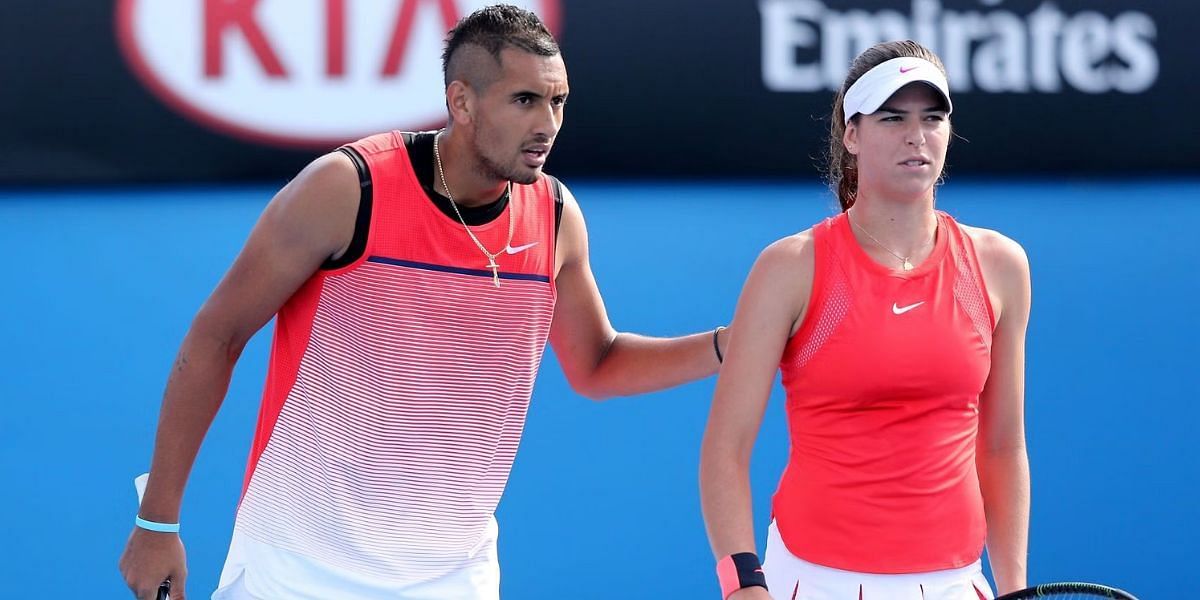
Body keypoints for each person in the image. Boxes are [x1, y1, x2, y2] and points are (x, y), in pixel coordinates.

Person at [118, 5, 728, 599]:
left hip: (453, 574)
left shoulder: (555, 215)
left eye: (558, 100)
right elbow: (216, 338)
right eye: (524, 100)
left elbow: (598, 365)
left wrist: (734, 342)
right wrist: (157, 522)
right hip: (298, 567)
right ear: (461, 102)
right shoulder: (347, 189)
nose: (547, 124)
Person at [699, 40, 1031, 600]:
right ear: (852, 135)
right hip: (809, 581)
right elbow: (725, 447)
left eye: (932, 118)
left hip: (955, 582)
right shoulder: (791, 267)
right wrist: (742, 585)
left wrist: (1015, 587)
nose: (915, 135)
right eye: (892, 118)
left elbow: (1001, 448)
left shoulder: (1001, 265)